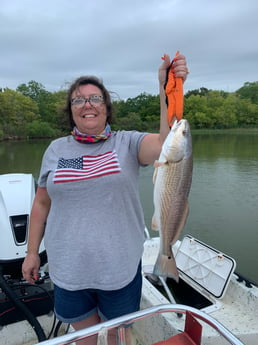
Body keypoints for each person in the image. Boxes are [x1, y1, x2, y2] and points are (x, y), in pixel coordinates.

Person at [22, 53, 189, 345]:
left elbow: (168, 143)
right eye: (78, 100)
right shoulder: (55, 149)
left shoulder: (128, 143)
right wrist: (32, 251)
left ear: (106, 108)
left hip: (119, 271)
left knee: (113, 336)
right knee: (84, 337)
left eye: (95, 98)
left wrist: (167, 87)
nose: (87, 104)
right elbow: (41, 203)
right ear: (70, 110)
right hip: (68, 270)